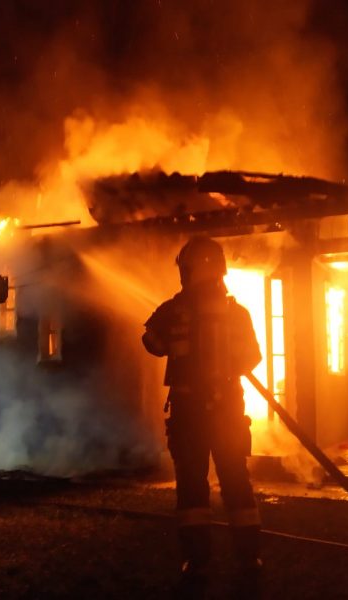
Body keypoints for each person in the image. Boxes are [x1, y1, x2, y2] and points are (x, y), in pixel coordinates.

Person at [142, 236, 263, 583]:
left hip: (189, 411)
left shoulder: (173, 309)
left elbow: (151, 343)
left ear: (187, 270)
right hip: (227, 410)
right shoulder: (237, 312)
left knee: (192, 485)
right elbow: (253, 357)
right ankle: (249, 558)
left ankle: (197, 561)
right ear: (220, 269)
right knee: (236, 480)